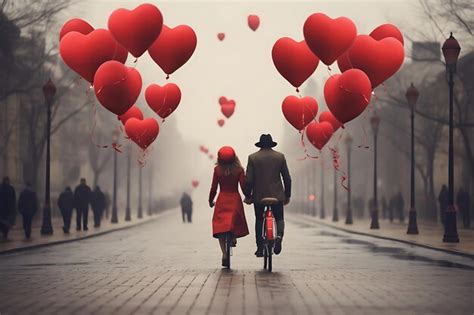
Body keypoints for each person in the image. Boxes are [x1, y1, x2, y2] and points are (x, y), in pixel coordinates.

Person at [244, 134, 291, 257]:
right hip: (277, 196)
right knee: (279, 218)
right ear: (271, 144)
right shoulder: (280, 157)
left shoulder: (253, 158)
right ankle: (279, 236)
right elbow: (287, 178)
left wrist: (248, 196)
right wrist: (287, 195)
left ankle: (260, 248)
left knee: (259, 219)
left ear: (260, 144)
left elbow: (248, 180)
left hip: (259, 197)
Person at [209, 146, 249, 267]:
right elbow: (243, 186)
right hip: (234, 199)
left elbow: (214, 188)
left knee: (221, 227)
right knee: (234, 221)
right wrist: (248, 196)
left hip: (222, 199)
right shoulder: (239, 170)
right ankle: (233, 236)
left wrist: (210, 200)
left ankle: (224, 254)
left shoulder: (217, 170)